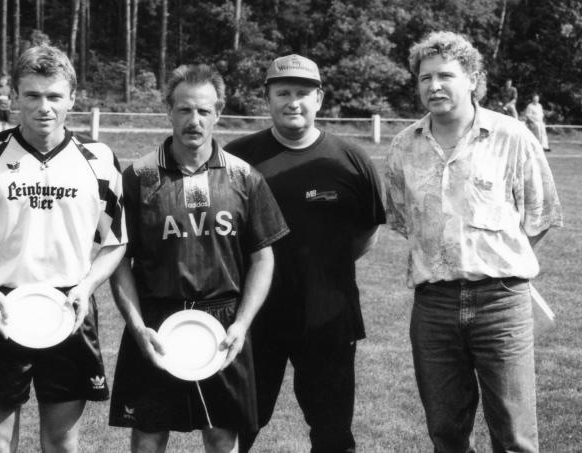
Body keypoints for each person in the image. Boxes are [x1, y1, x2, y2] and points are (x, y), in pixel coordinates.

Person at [384, 31, 562, 453]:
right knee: (446, 433)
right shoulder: (403, 146)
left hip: (502, 303)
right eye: (425, 78)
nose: (434, 86)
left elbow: (539, 216)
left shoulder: (512, 136)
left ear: (473, 80)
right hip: (433, 306)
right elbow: (405, 221)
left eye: (445, 76)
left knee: (515, 437)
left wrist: (495, 261)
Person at [0, 44, 127, 453]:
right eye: (32, 95)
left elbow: (116, 241)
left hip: (70, 305)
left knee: (62, 441)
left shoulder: (98, 158)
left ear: (72, 99)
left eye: (54, 96)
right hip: (2, 305)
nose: (44, 107)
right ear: (14, 96)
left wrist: (87, 286)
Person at [108, 64, 289, 453]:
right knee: (148, 438)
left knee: (222, 437)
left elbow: (263, 258)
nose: (194, 120)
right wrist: (137, 326)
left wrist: (242, 323)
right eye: (185, 109)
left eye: (204, 110)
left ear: (218, 113)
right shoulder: (138, 176)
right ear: (168, 111)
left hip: (222, 321)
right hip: (157, 319)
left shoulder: (244, 177)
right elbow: (118, 259)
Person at [225, 54, 386, 453]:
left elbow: (367, 231)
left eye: (302, 93)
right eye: (283, 93)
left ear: (319, 99)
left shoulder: (350, 159)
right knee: (236, 427)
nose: (293, 102)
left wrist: (323, 269)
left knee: (332, 433)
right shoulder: (235, 159)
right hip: (252, 318)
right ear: (267, 98)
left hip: (328, 319)